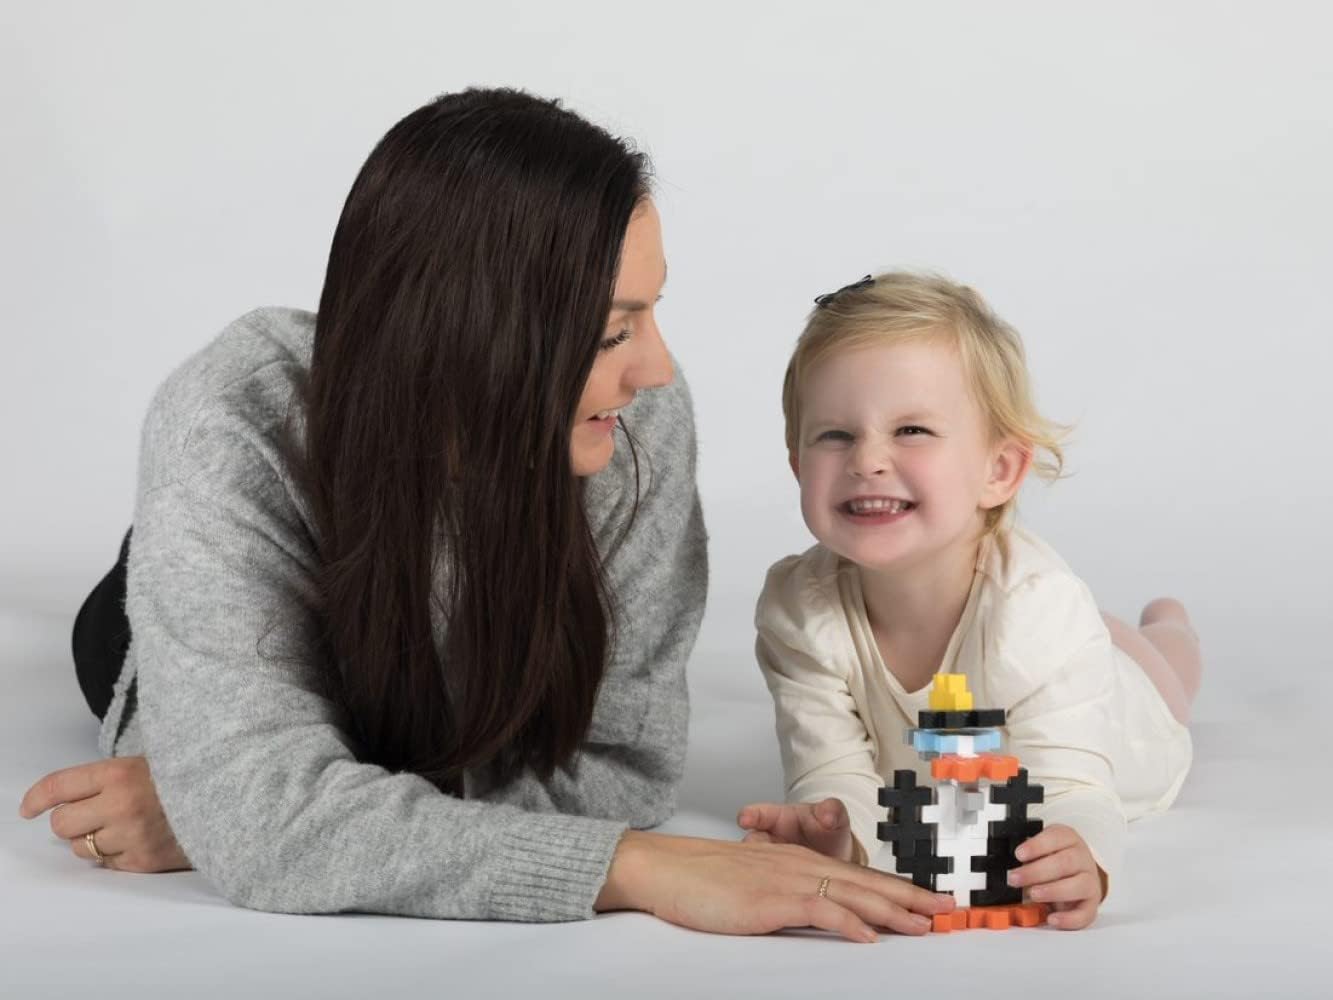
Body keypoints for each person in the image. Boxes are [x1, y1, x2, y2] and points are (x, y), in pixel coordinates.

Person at [18, 89, 955, 942]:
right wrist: (632, 868)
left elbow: (623, 766)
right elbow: (265, 823)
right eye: (611, 331)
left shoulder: (633, 422)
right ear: (473, 332)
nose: (656, 367)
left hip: (446, 669)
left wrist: (272, 809)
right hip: (217, 602)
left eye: (649, 312)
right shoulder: (232, 418)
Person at [737, 272, 1199, 930]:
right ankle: (1113, 630)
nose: (867, 460)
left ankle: (1168, 621)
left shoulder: (1036, 612)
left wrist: (1083, 853)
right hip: (1028, 640)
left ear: (998, 471)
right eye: (835, 435)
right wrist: (835, 833)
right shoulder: (800, 611)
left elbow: (1074, 787)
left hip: (1120, 715)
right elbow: (833, 768)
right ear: (796, 465)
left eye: (911, 429)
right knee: (1060, 628)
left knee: (1165, 671)